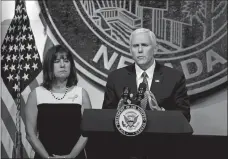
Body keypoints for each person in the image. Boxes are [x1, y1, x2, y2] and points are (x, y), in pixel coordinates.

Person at [102, 28, 190, 122]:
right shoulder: (116, 78)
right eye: (135, 46)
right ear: (131, 50)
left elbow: (185, 117)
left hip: (160, 135)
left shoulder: (174, 77)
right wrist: (118, 112)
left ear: (155, 49)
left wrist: (161, 113)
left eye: (144, 45)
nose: (140, 50)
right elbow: (105, 118)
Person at [25, 45, 92, 159]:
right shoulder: (36, 94)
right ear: (49, 66)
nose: (63, 65)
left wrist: (70, 156)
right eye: (57, 61)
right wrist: (47, 157)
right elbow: (30, 135)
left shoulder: (81, 94)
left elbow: (87, 132)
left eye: (66, 61)